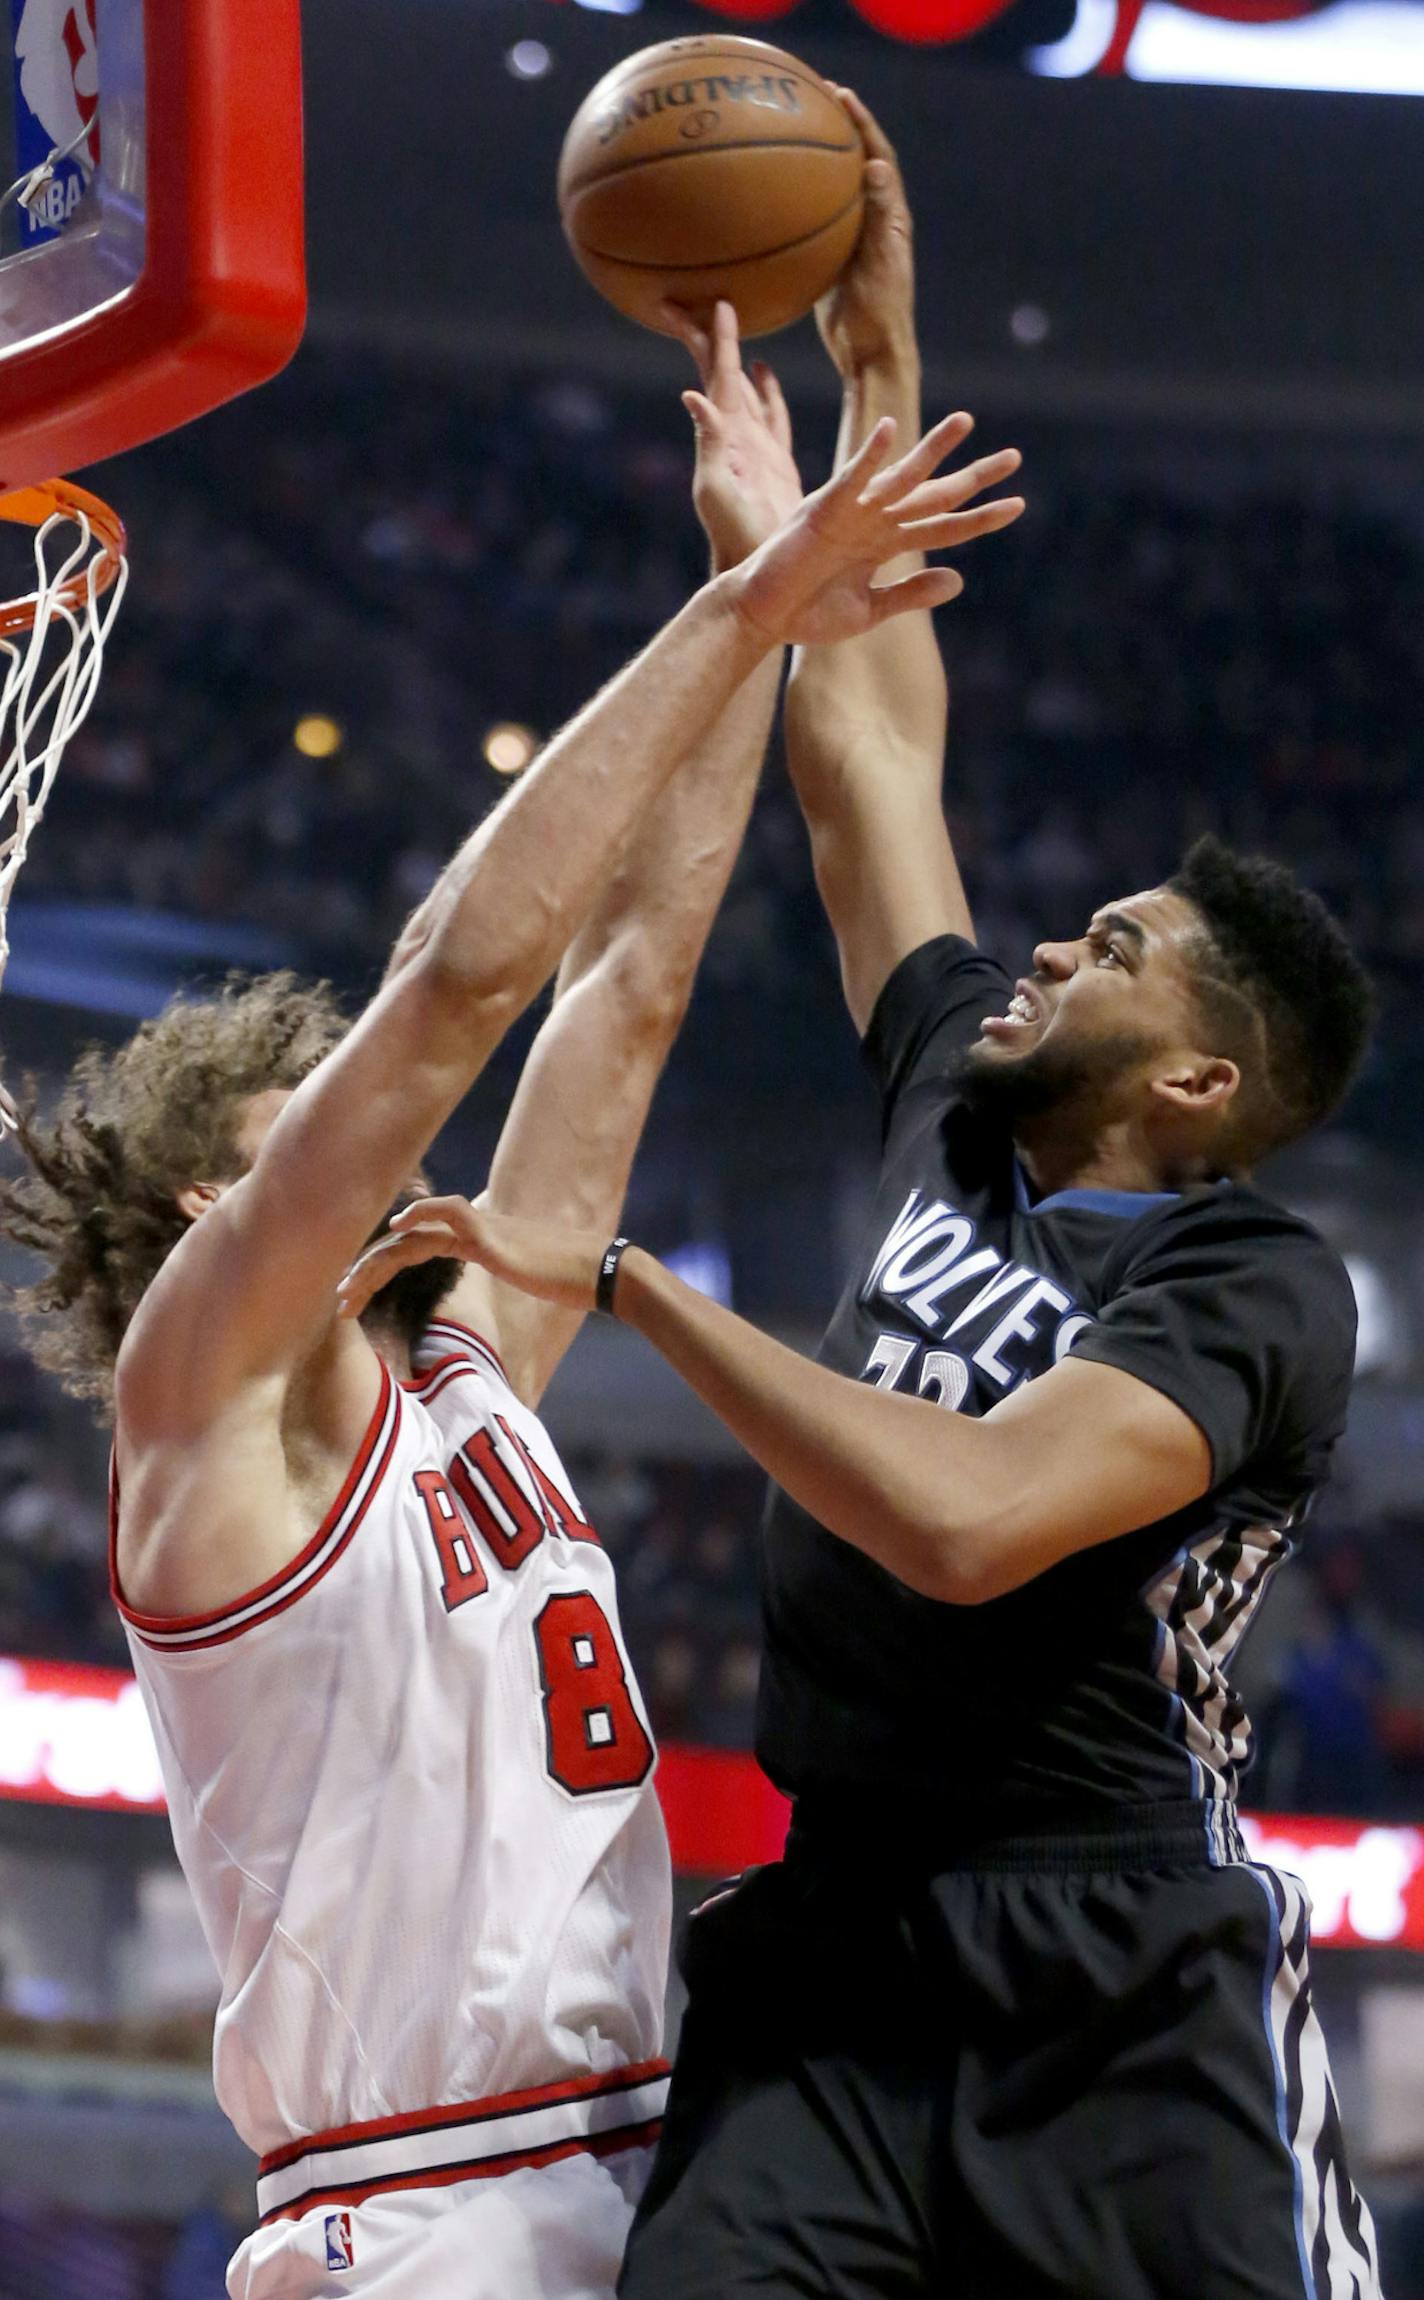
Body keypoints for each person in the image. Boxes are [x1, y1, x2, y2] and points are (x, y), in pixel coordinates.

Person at [343, 102, 1384, 2300]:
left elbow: (973, 1517)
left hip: (1117, 1973)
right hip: (834, 1945)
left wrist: (620, 1280)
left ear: (1201, 1080)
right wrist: (866, 398)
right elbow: (872, 768)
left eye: (1107, 950)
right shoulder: (960, 1102)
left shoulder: (1251, 1283)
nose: (1043, 947)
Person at [0, 335, 1022, 2300]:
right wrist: (741, 604)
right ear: (218, 1206)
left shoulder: (473, 1371)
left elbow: (626, 983)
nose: (380, 1151)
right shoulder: (197, 1403)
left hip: (656, 2161)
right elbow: (456, 985)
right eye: (311, 1131)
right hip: (424, 2209)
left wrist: (758, 607)